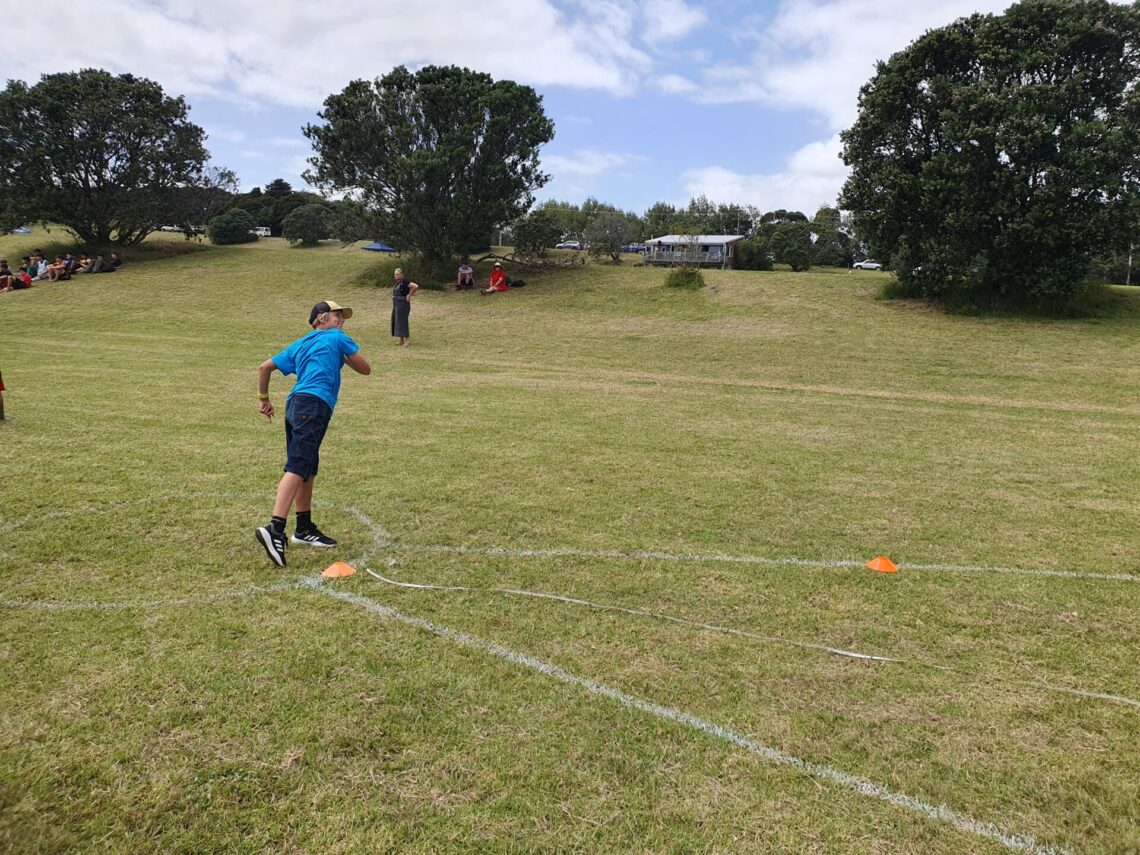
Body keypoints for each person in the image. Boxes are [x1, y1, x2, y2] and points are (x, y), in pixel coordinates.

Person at [254, 300, 371, 568]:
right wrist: (342, 353)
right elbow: (365, 369)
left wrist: (263, 398)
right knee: (297, 466)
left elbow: (264, 367)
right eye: (336, 315)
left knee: (307, 466)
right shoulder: (337, 337)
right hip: (314, 404)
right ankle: (275, 529)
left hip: (294, 405)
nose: (341, 320)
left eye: (343, 317)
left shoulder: (302, 342)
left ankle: (303, 528)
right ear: (321, 318)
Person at [391, 267, 419, 346]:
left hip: (403, 304)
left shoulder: (405, 281)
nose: (396, 276)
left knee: (403, 322)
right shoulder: (398, 282)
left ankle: (407, 340)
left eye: (397, 274)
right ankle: (401, 340)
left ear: (401, 274)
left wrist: (409, 295)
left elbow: (415, 286)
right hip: (396, 304)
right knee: (397, 321)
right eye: (395, 274)